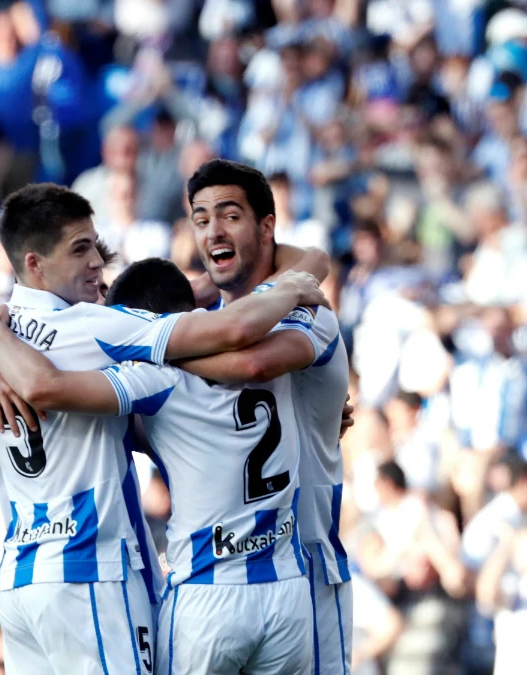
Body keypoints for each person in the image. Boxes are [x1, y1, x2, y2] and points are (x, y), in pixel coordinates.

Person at [0, 183, 327, 674]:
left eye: (95, 247)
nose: (95, 264)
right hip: (92, 572)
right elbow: (225, 330)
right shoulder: (97, 329)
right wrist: (291, 287)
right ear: (35, 264)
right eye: (80, 249)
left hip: (21, 580)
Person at [183, 159, 355, 674]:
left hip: (305, 567)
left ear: (266, 227)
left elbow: (254, 362)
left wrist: (157, 347)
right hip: (219, 579)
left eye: (229, 215)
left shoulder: (305, 307)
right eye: (200, 218)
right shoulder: (201, 327)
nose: (213, 229)